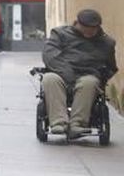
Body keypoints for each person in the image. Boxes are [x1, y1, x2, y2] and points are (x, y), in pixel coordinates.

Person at [42, 9, 118, 138]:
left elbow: (111, 67)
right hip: (61, 72)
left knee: (90, 82)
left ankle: (78, 124)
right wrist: (67, 74)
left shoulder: (107, 43)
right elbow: (50, 56)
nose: (89, 31)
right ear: (77, 23)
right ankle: (59, 123)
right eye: (86, 28)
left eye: (93, 28)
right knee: (49, 78)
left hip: (88, 75)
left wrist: (101, 77)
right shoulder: (60, 34)